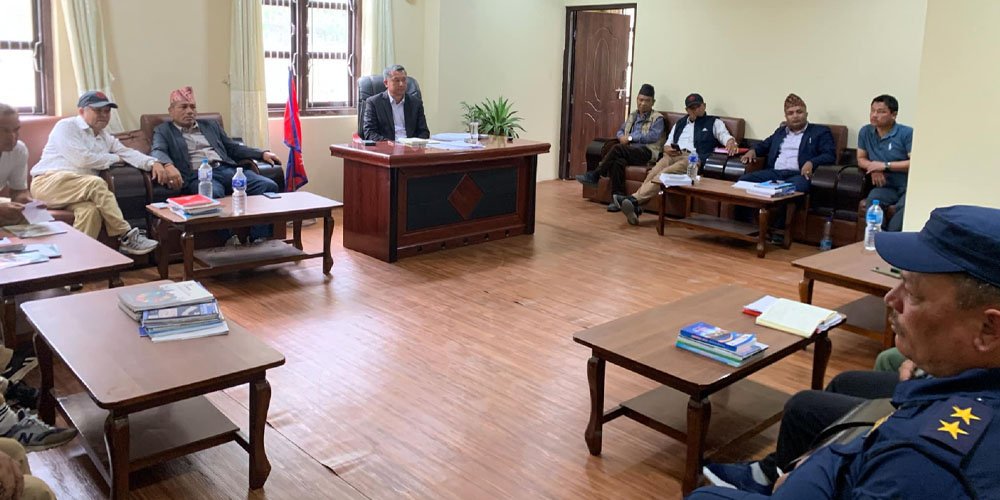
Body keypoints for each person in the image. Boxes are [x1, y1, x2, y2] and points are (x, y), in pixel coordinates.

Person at [690, 204, 1000, 499]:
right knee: (832, 390)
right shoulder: (970, 372)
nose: (891, 299)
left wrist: (806, 478)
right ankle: (773, 471)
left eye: (913, 293)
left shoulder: (921, 467)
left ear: (989, 329)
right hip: (842, 465)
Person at [29, 91, 169, 255]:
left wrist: (154, 163)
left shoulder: (104, 137)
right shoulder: (66, 126)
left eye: (107, 111)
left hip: (77, 192)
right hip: (48, 184)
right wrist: (116, 158)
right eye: (98, 110)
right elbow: (83, 159)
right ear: (81, 111)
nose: (104, 115)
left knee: (91, 212)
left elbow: (128, 153)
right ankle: (126, 235)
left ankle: (75, 264)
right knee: (95, 183)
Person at [151, 86, 281, 243]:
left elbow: (232, 147)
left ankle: (259, 238)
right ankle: (229, 240)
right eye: (183, 107)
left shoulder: (210, 125)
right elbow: (158, 150)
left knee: (268, 186)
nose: (190, 111)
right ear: (171, 111)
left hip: (227, 170)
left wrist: (261, 153)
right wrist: (167, 165)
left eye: (193, 107)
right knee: (212, 195)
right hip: (199, 176)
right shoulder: (164, 130)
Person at [615, 93, 739, 225]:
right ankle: (636, 207)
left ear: (704, 106)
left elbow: (725, 136)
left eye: (698, 107)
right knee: (652, 173)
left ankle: (633, 200)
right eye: (691, 108)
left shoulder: (713, 122)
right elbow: (667, 144)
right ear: (687, 110)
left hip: (692, 159)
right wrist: (667, 148)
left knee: (664, 174)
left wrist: (731, 142)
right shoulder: (680, 123)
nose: (695, 110)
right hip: (672, 155)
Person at [735, 94, 836, 234]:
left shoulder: (820, 131)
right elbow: (764, 145)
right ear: (786, 116)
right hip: (775, 173)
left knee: (791, 190)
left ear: (806, 113)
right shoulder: (780, 132)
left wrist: (812, 162)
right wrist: (753, 151)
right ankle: (745, 227)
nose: (795, 116)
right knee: (743, 182)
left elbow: (830, 155)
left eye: (799, 112)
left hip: (798, 175)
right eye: (791, 113)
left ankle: (779, 231)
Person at [574, 83, 666, 212]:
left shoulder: (658, 118)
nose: (643, 103)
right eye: (641, 100)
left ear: (653, 102)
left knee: (618, 149)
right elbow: (621, 131)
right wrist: (621, 136)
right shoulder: (633, 115)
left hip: (647, 152)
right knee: (618, 161)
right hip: (630, 150)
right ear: (637, 99)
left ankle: (596, 174)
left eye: (647, 101)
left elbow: (652, 137)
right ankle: (617, 199)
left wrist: (630, 138)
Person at [858, 94, 912, 232]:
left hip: (907, 187)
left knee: (902, 211)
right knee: (873, 200)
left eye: (881, 112)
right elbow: (861, 158)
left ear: (893, 115)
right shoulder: (865, 131)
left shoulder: (906, 133)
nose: (874, 115)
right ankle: (876, 240)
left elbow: (914, 163)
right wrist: (874, 168)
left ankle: (891, 240)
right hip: (886, 187)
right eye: (872, 110)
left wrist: (885, 166)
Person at [361, 64, 430, 142]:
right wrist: (390, 144)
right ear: (386, 83)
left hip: (411, 147)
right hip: (387, 146)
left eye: (404, 80)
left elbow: (424, 132)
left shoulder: (416, 103)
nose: (401, 84)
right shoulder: (374, 103)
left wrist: (415, 143)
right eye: (397, 80)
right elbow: (370, 133)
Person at [0, 103, 35, 226]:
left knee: (28, 218)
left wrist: (26, 201)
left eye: (16, 130)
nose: (12, 137)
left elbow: (18, 190)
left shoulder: (19, 150)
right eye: (4, 131)